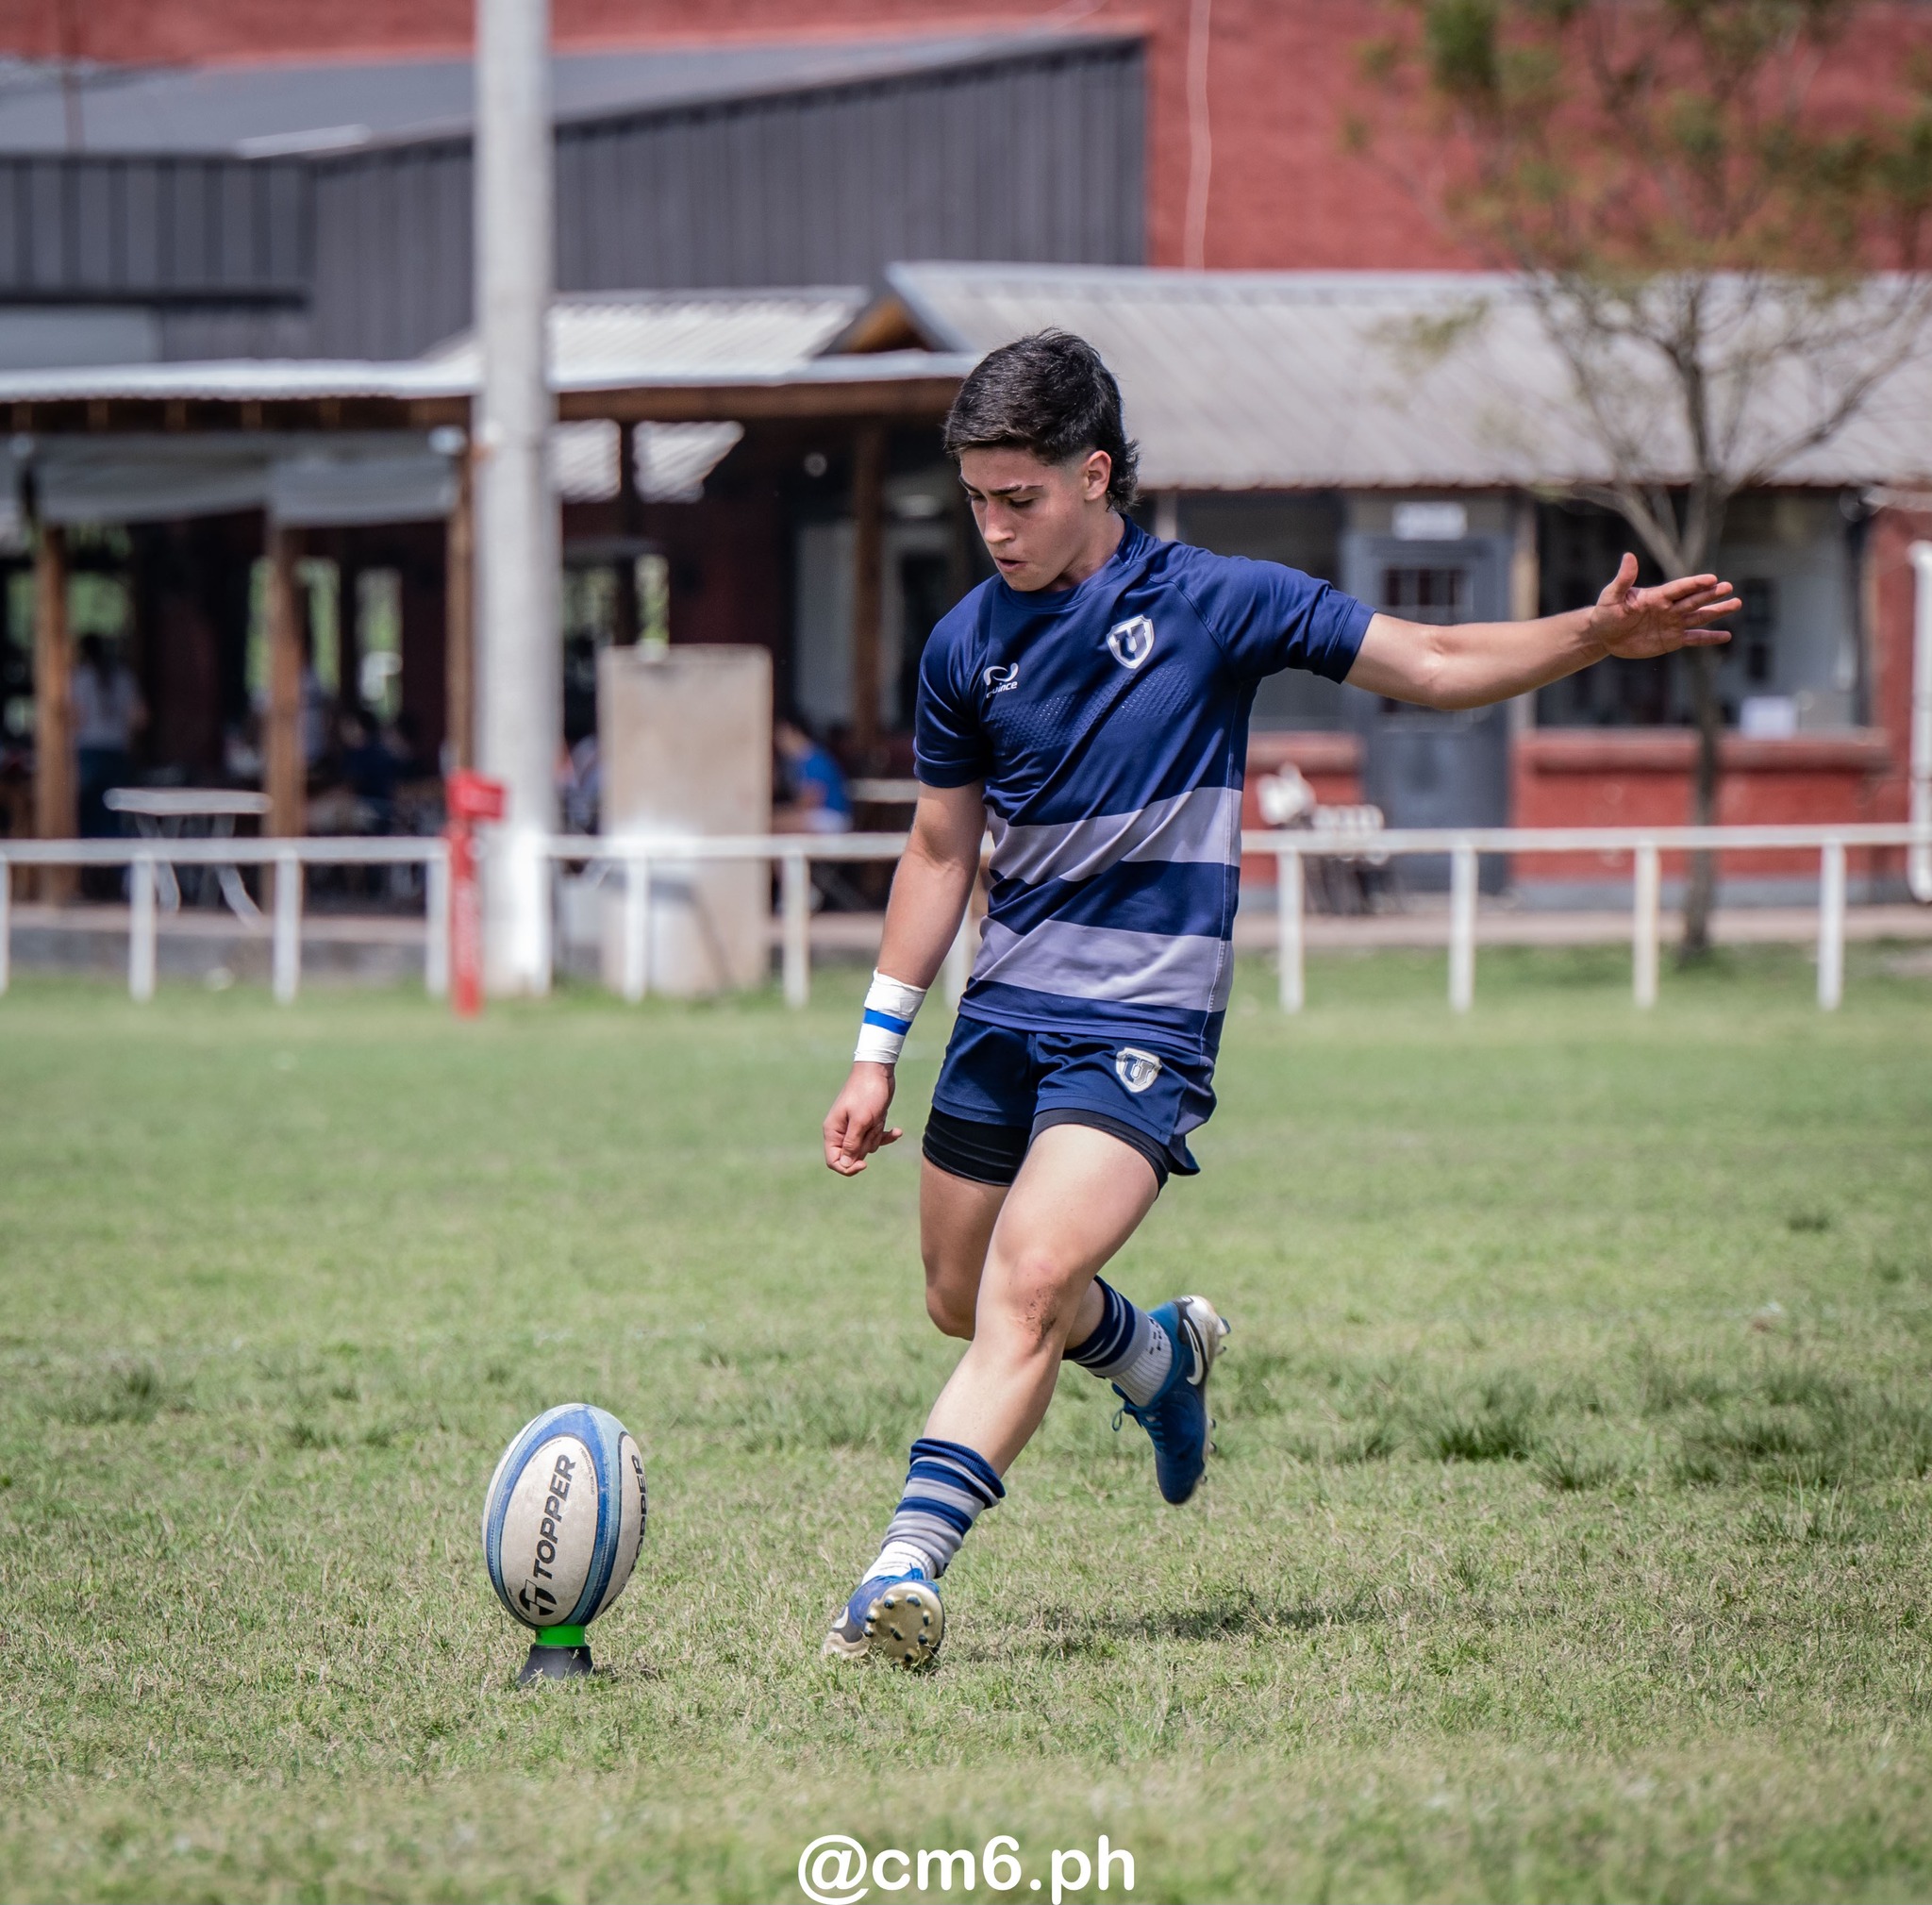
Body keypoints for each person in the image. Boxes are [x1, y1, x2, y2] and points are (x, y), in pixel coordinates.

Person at [818, 329, 1739, 1668]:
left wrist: (1591, 634)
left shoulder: (1215, 600)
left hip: (1142, 1022)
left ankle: (899, 1571)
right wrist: (875, 1046)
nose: (994, 526)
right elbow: (941, 849)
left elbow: (1429, 662)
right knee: (959, 1296)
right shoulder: (966, 644)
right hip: (1004, 1013)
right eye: (976, 499)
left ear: (1095, 472)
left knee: (1027, 1283)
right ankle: (1155, 1360)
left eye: (1019, 497)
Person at [71, 636, 146, 837]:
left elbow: (76, 718)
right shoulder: (124, 677)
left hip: (88, 750)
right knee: (114, 812)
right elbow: (140, 718)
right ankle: (115, 863)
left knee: (87, 812)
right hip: (116, 751)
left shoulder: (80, 678)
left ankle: (89, 864)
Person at [773, 716, 853, 834]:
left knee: (773, 822)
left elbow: (811, 800)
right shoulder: (798, 761)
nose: (779, 743)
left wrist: (784, 811)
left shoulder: (814, 759)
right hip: (818, 815)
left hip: (831, 817)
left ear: (795, 733)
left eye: (781, 737)